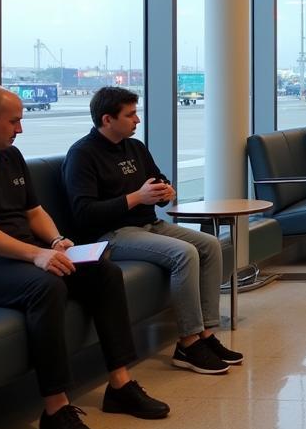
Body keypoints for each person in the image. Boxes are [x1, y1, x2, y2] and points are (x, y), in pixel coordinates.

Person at [0, 85, 170, 429]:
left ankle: (120, 384)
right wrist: (35, 255)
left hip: (15, 254)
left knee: (103, 271)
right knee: (46, 285)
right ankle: (55, 410)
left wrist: (56, 242)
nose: (20, 129)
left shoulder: (9, 155)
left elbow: (33, 212)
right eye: (14, 121)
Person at [63, 86, 241, 376]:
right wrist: (136, 198)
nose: (137, 120)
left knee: (209, 245)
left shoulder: (134, 147)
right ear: (107, 119)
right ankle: (187, 342)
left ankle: (206, 334)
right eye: (130, 114)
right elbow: (83, 213)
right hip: (112, 234)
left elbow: (156, 178)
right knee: (184, 253)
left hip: (150, 225)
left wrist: (164, 190)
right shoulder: (82, 155)